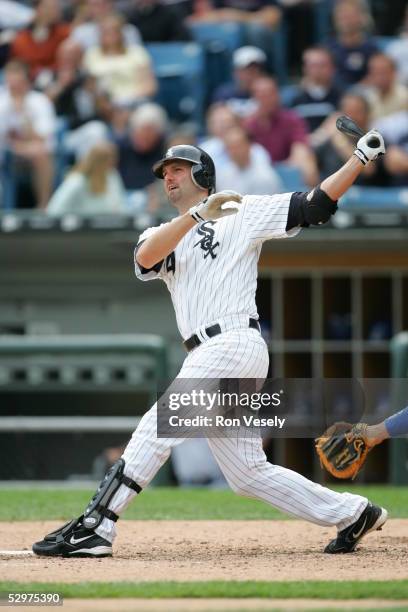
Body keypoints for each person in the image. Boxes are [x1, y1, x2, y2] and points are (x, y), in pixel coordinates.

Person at [33, 124, 389, 558]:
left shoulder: (241, 210)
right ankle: (353, 512)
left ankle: (98, 525)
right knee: (246, 473)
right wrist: (198, 216)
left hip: (233, 342)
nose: (168, 177)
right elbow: (144, 259)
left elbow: (315, 205)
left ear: (202, 173)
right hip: (210, 351)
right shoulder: (163, 232)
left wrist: (359, 159)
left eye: (178, 169)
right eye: (164, 171)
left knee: (160, 423)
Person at [0, 59, 56, 209]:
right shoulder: (1, 101)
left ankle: (44, 206)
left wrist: (23, 114)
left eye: (18, 81)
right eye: (10, 80)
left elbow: (43, 137)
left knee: (40, 152)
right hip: (6, 149)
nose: (14, 86)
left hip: (32, 150)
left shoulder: (39, 101)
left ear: (26, 81)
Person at [244, 76, 319, 187]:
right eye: (262, 95)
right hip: (258, 174)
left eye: (270, 95)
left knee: (307, 160)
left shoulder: (291, 119)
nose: (266, 100)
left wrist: (292, 165)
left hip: (285, 170)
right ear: (254, 98)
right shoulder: (247, 125)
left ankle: (313, 200)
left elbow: (300, 148)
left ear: (277, 95)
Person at [82, 13, 157, 107]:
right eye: (105, 31)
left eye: (113, 31)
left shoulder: (137, 52)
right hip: (104, 107)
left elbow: (150, 87)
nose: (110, 35)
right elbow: (89, 87)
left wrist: (126, 99)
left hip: (135, 102)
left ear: (121, 33)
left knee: (149, 115)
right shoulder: (91, 54)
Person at [47, 141, 127, 216]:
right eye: (107, 160)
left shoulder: (112, 176)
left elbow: (120, 207)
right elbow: (54, 210)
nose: (113, 163)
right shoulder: (77, 181)